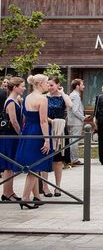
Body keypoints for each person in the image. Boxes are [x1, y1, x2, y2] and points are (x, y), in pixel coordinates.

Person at [15, 74, 52, 209]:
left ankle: (36, 196)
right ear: (40, 83)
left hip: (27, 131)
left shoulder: (27, 98)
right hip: (37, 132)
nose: (48, 85)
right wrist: (47, 140)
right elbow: (43, 121)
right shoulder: (42, 99)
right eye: (47, 82)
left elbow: (24, 118)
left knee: (33, 166)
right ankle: (25, 198)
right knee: (34, 167)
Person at [42, 77, 72, 197]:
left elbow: (70, 105)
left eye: (52, 85)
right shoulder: (44, 97)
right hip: (48, 128)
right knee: (45, 158)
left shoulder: (62, 97)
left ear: (58, 85)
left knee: (58, 160)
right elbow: (42, 114)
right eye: (48, 85)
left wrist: (62, 92)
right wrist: (52, 121)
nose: (50, 87)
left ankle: (57, 187)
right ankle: (45, 187)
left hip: (60, 130)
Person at [0, 77, 25, 202]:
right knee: (8, 166)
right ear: (15, 87)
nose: (24, 88)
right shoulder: (10, 101)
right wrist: (21, 134)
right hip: (9, 137)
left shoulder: (14, 100)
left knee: (10, 166)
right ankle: (6, 193)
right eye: (22, 86)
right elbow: (14, 121)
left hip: (12, 136)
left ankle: (10, 192)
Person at [67, 79, 86, 166]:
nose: (83, 86)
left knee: (72, 140)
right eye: (82, 85)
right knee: (74, 140)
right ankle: (74, 159)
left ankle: (72, 158)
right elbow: (75, 110)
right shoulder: (76, 96)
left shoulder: (72, 95)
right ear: (77, 86)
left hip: (72, 121)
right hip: (76, 122)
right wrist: (83, 118)